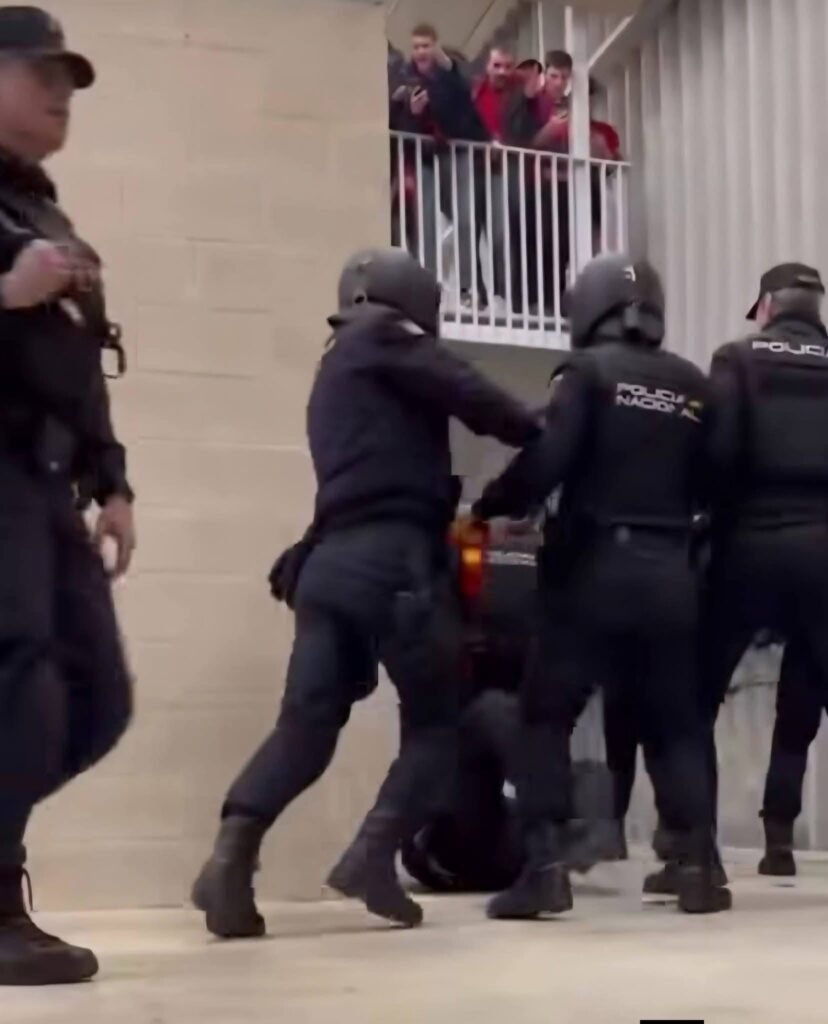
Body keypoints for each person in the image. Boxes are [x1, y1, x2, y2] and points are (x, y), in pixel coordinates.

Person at [192, 247, 540, 938]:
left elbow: (370, 479)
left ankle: (231, 857)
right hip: (393, 566)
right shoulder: (385, 335)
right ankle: (373, 856)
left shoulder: (334, 366)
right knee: (440, 722)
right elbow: (474, 395)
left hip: (329, 567)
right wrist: (541, 425)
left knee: (306, 728)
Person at [470, 254, 731, 919]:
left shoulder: (584, 373)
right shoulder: (693, 384)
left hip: (591, 572)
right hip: (671, 575)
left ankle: (543, 870)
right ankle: (699, 868)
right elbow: (717, 479)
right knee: (675, 725)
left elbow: (548, 459)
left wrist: (495, 502)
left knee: (544, 716)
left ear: (588, 307)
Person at [0, 6, 135, 986]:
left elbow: (84, 366)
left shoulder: (47, 217)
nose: (60, 93)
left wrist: (111, 480)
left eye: (69, 81)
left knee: (97, 696)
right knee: (22, 677)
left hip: (48, 482)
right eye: (39, 73)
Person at [698, 263, 828, 886]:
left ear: (769, 307)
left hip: (748, 547)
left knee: (695, 699)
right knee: (804, 696)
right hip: (824, 550)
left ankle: (695, 855)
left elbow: (717, 456)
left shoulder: (737, 360)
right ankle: (778, 840)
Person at [389, 23, 489, 309]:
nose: (421, 52)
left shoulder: (448, 75)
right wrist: (414, 112)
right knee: (427, 222)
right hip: (424, 156)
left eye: (425, 46)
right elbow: (399, 127)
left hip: (455, 152)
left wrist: (447, 71)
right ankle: (429, 287)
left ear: (435, 47)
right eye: (416, 47)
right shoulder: (404, 78)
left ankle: (469, 287)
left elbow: (465, 106)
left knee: (466, 219)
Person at [759, 643, 822, 877]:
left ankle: (779, 847)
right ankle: (779, 847)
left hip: (807, 643)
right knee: (790, 742)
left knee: (790, 743)